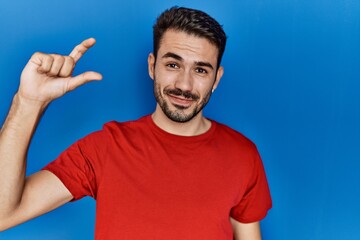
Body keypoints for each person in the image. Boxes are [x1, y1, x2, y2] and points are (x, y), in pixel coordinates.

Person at [0, 6, 271, 240]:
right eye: (173, 65)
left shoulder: (243, 155)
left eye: (200, 70)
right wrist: (28, 102)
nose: (185, 85)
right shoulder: (105, 148)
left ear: (217, 79)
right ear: (152, 66)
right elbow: (3, 215)